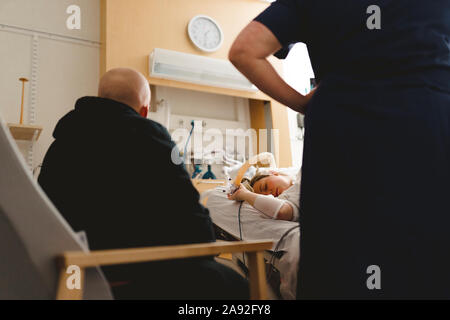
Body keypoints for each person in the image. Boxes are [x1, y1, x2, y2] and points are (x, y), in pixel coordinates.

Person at [229, 0, 450, 298]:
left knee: (342, 260)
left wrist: (304, 104)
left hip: (343, 121)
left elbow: (245, 51)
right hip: (430, 115)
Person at [38, 68, 248, 299]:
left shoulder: (60, 143)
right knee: (237, 285)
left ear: (99, 96)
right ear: (144, 111)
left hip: (69, 278)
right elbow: (196, 229)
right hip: (131, 278)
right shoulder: (151, 137)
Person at [228, 170, 301, 221]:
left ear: (273, 173)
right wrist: (243, 194)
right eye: (268, 197)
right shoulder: (287, 200)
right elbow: (281, 211)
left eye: (265, 187)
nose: (270, 194)